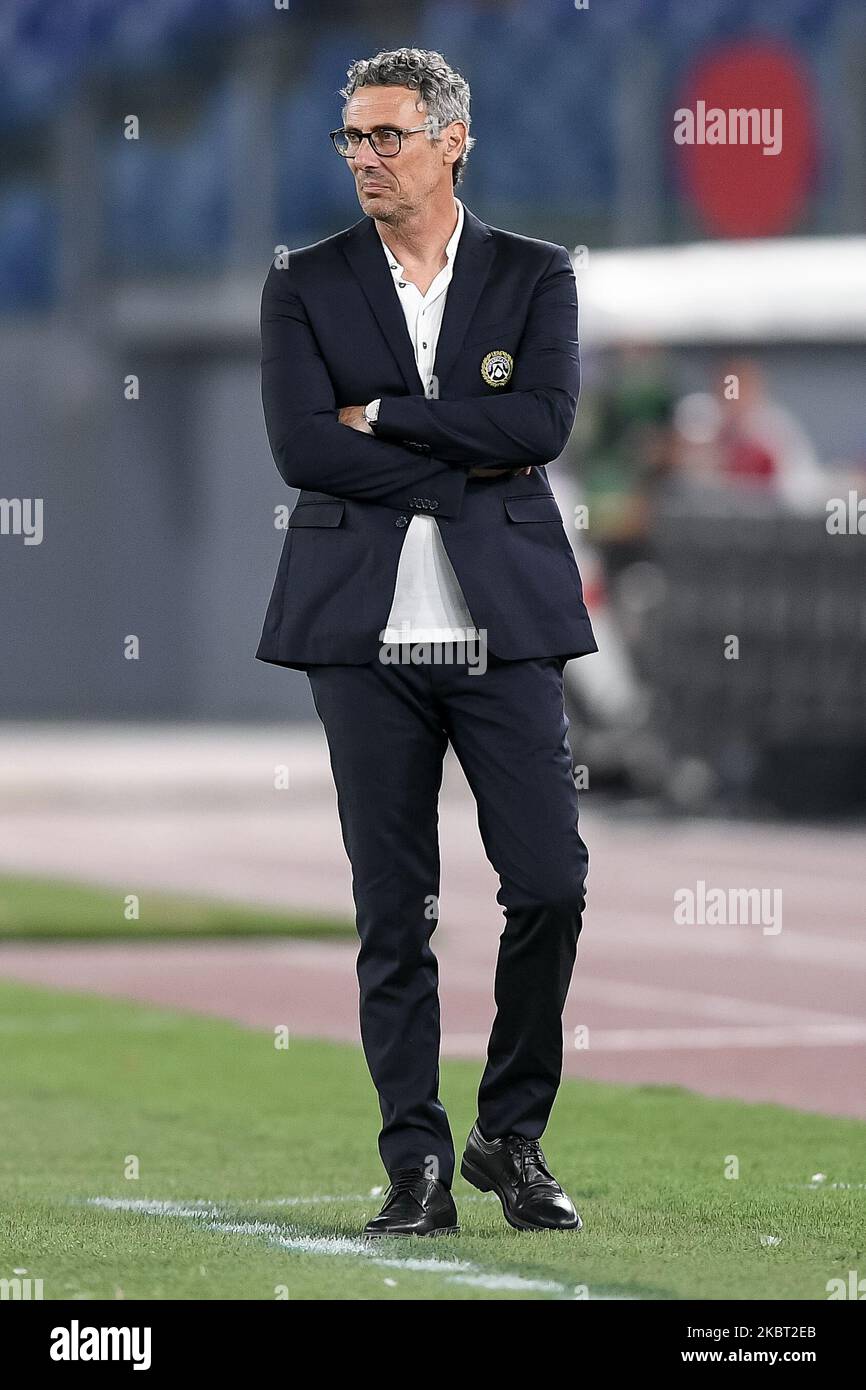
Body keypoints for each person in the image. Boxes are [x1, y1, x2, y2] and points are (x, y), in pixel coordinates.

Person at [256, 47, 597, 1237]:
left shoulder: (534, 274)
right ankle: (415, 1159)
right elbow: (304, 450)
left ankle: (510, 1134)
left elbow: (540, 422)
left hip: (501, 626)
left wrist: (391, 417)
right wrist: (463, 455)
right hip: (361, 631)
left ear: (453, 139)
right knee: (391, 909)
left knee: (549, 880)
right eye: (350, 138)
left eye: (386, 135)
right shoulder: (301, 281)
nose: (363, 157)